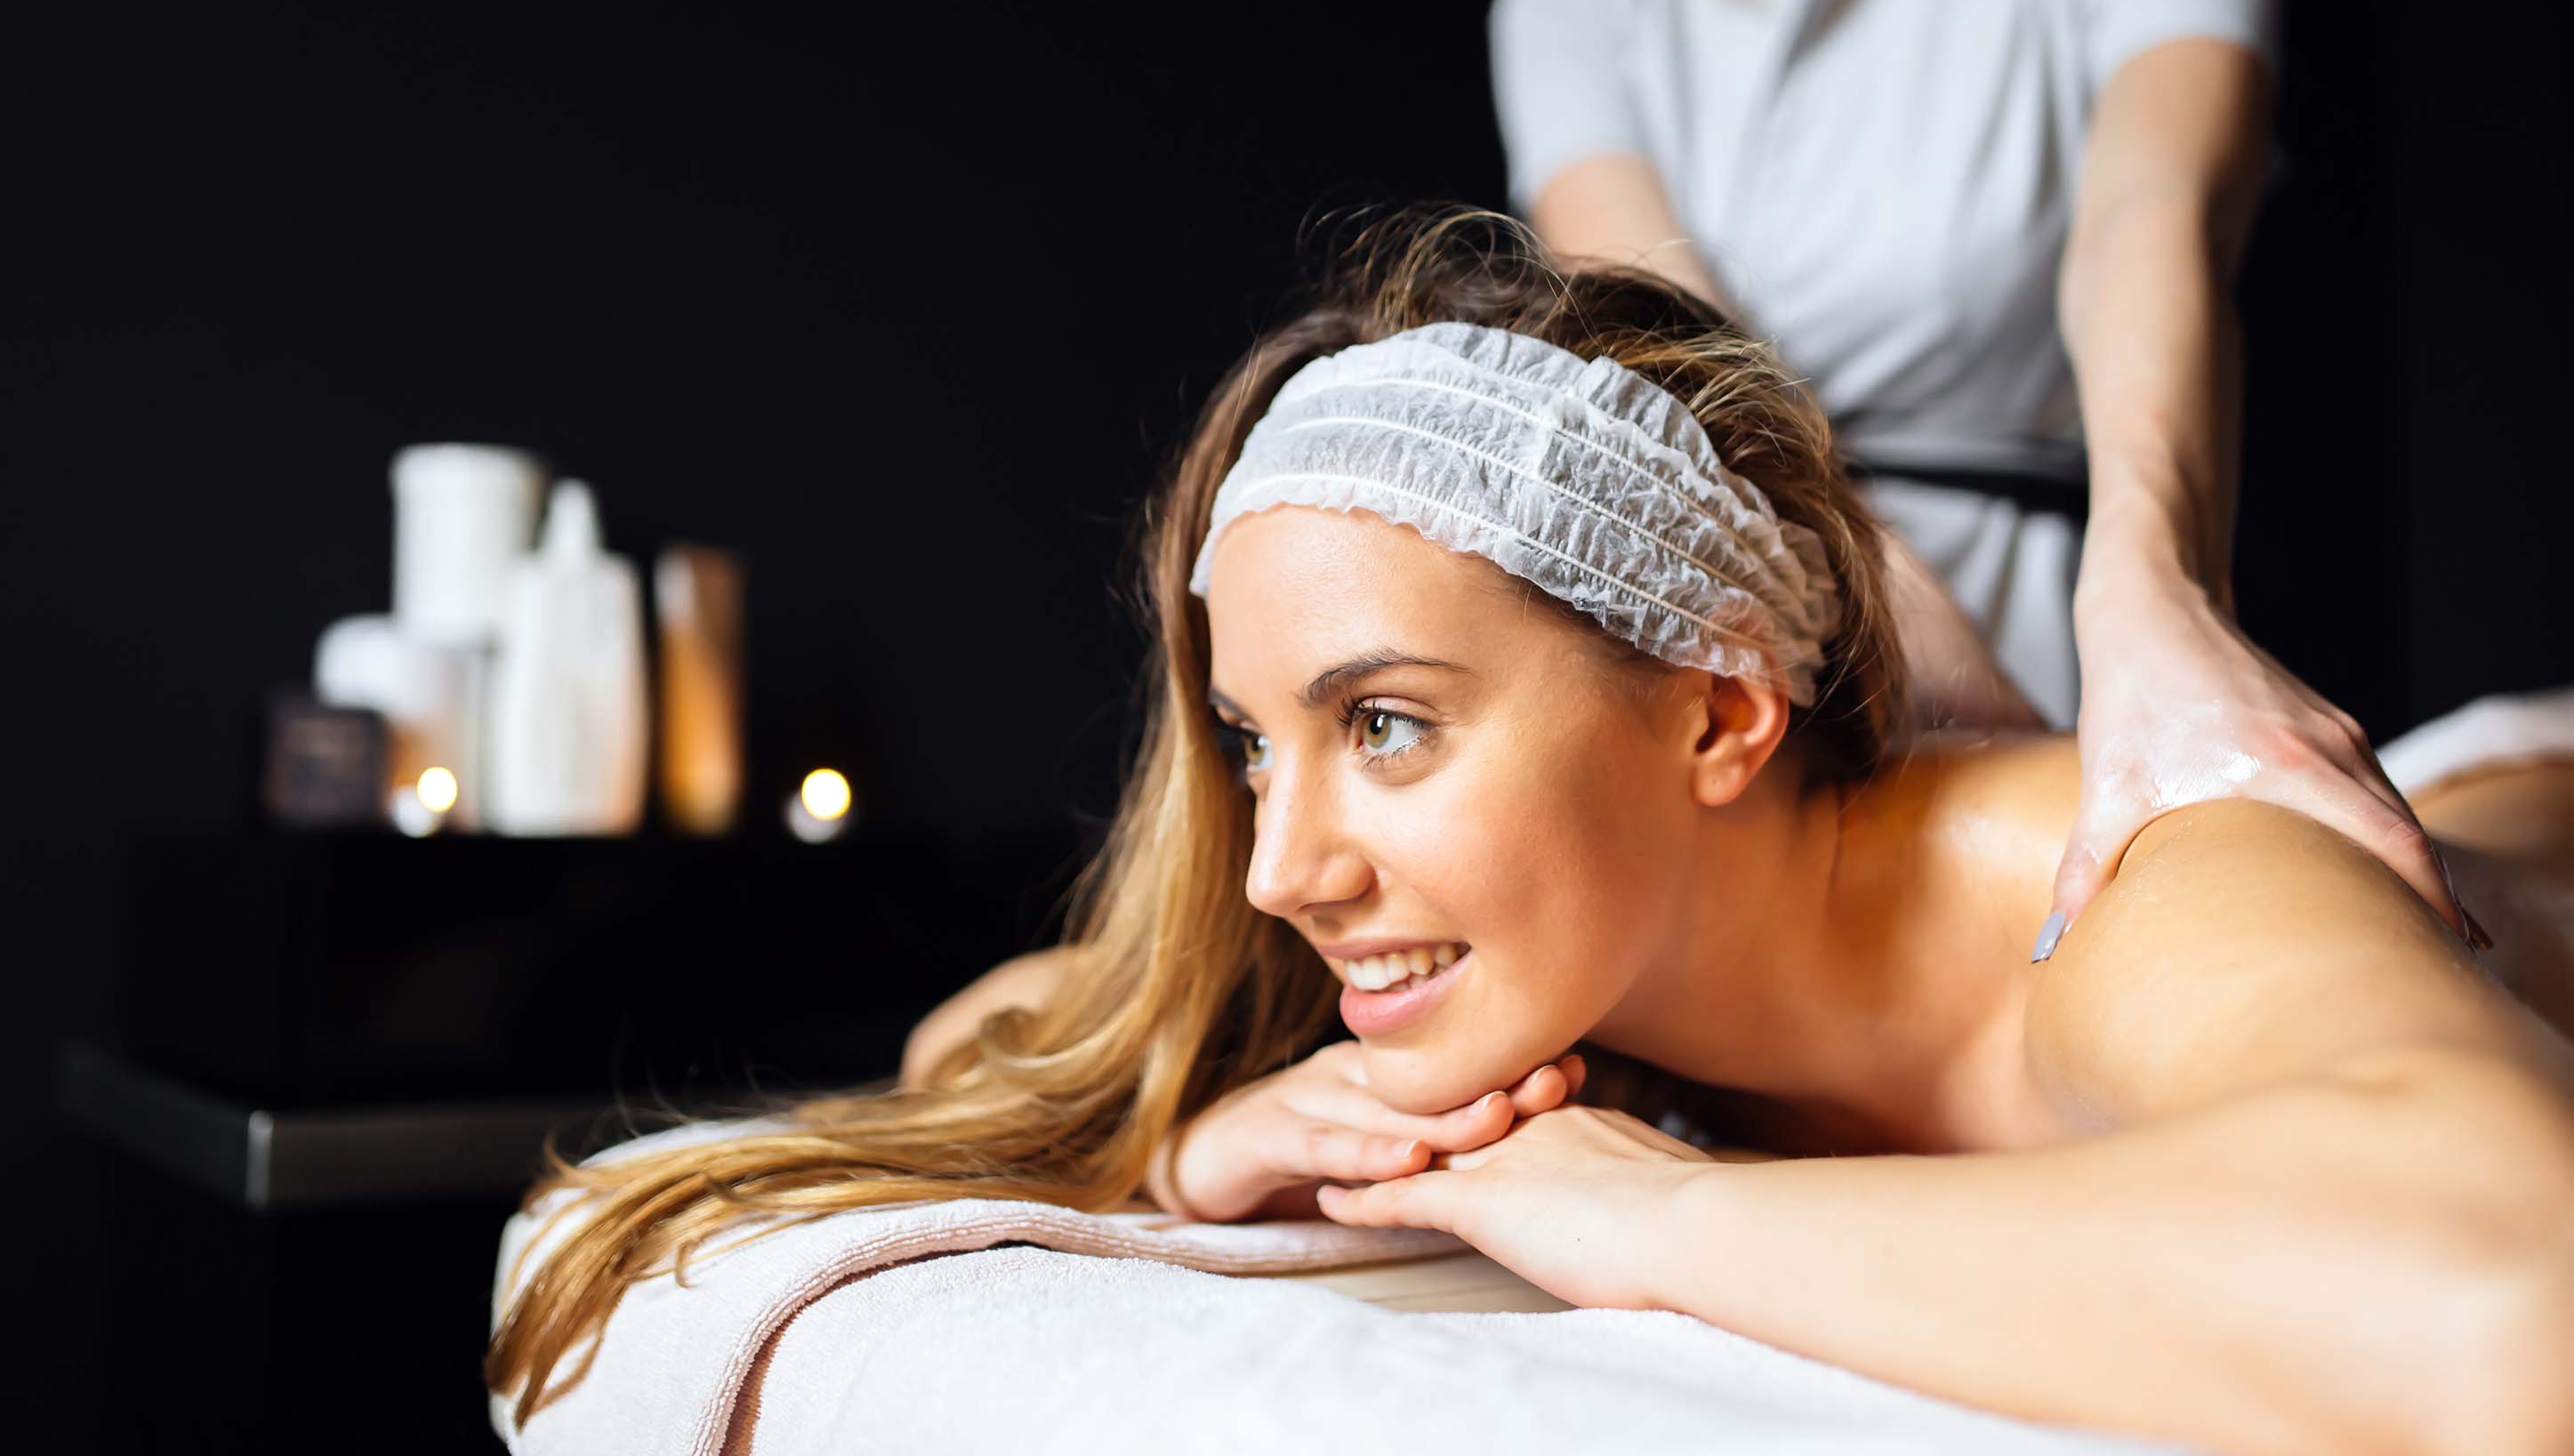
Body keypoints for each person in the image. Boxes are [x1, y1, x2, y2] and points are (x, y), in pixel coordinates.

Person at [485, 214, 2574, 1452]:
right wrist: (1200, 1136)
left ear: (1723, 707)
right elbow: (995, 1033)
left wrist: (1656, 1223)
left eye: (1385, 723)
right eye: (1252, 742)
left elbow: (2513, 1299)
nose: (1288, 861)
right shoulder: (1580, 932)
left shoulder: (2140, 895)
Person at [1487, 0, 2467, 961]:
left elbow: (2147, 216)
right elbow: (1679, 359)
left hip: (2073, 618)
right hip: (1744, 637)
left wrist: (2155, 597)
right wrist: (1872, 597)